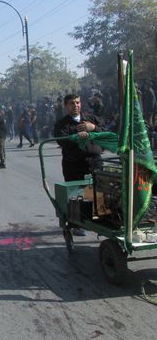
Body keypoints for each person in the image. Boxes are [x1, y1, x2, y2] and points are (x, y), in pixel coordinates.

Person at [53, 93, 104, 236]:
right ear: (65, 106)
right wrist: (77, 135)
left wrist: (93, 128)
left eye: (77, 102)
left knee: (97, 191)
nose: (75, 105)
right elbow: (62, 140)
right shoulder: (61, 124)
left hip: (94, 161)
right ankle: (76, 224)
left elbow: (105, 133)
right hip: (73, 164)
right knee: (76, 195)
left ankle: (99, 220)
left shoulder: (91, 119)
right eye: (71, 103)